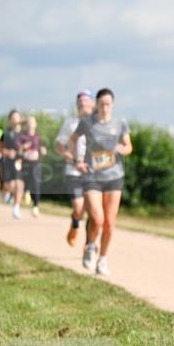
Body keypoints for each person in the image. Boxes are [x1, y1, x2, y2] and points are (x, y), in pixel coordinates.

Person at [70, 88, 132, 276]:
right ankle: (90, 246)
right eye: (102, 104)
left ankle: (102, 259)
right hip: (92, 177)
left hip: (114, 177)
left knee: (110, 224)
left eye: (108, 104)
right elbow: (73, 140)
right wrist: (77, 160)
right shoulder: (87, 123)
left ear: (112, 105)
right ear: (96, 104)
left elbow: (129, 146)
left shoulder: (120, 123)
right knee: (97, 218)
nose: (105, 108)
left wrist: (122, 149)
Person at [56, 91, 96, 245]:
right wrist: (74, 160)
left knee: (92, 210)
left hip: (92, 173)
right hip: (73, 170)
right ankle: (75, 224)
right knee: (79, 208)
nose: (82, 104)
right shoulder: (70, 123)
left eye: (86, 101)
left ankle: (89, 245)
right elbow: (60, 146)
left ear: (92, 104)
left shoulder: (98, 123)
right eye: (80, 102)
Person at [17, 116, 47, 218]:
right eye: (29, 121)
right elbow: (18, 150)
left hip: (36, 163)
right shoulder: (22, 137)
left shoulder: (38, 137)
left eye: (32, 121)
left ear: (35, 124)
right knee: (27, 180)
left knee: (37, 184)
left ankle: (35, 207)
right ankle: (26, 191)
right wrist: (23, 148)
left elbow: (41, 149)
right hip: (26, 163)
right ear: (26, 124)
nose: (31, 123)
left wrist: (43, 150)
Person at [0, 110, 25, 218]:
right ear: (10, 120)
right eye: (13, 117)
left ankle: (16, 208)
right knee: (10, 185)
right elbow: (0, 147)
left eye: (17, 117)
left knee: (20, 184)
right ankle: (6, 191)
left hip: (20, 162)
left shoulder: (24, 134)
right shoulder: (6, 133)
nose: (15, 119)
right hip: (8, 162)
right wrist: (7, 152)